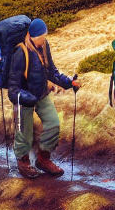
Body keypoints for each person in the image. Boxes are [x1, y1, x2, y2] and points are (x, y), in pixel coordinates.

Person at [6, 18, 77, 179]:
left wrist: (69, 83)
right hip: (24, 98)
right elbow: (13, 87)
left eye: (44, 37)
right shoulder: (20, 52)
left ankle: (43, 159)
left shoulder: (44, 46)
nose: (43, 40)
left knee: (54, 124)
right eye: (40, 38)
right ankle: (23, 161)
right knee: (24, 132)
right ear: (31, 35)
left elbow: (51, 71)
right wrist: (24, 98)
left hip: (42, 94)